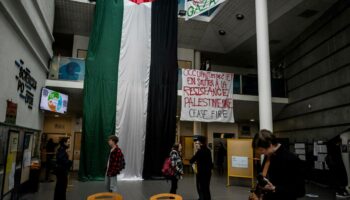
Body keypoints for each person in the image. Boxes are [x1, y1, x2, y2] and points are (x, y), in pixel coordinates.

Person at [250, 130, 305, 200]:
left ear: (270, 145)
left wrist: (275, 188)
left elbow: (300, 191)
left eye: (261, 150)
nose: (261, 153)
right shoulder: (268, 156)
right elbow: (265, 178)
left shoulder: (291, 159)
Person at [190, 136, 213, 200]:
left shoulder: (199, 151)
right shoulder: (208, 151)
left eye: (198, 142)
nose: (197, 143)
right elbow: (211, 163)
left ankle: (201, 198)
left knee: (200, 187)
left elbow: (191, 160)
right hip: (208, 173)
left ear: (200, 143)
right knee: (206, 187)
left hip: (201, 173)